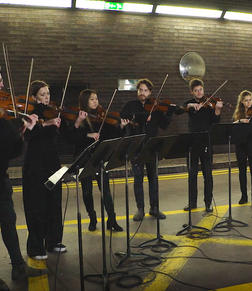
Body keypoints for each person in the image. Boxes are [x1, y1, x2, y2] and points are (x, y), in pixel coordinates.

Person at [0, 74, 43, 284]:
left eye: (1, 80)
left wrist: (21, 131)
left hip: (1, 178)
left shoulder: (3, 116)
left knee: (9, 222)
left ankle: (18, 267)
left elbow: (10, 152)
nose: (1, 85)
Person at [71, 89, 129, 231]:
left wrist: (121, 126)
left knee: (106, 191)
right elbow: (72, 138)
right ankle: (92, 218)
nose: (95, 101)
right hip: (84, 159)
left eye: (96, 98)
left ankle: (112, 219)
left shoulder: (102, 116)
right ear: (85, 101)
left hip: (100, 158)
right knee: (86, 192)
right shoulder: (79, 117)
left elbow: (111, 134)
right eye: (92, 99)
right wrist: (86, 134)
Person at [23, 80, 67, 258]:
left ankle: (53, 240)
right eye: (42, 94)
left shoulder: (53, 112)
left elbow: (64, 137)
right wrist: (46, 124)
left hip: (52, 162)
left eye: (48, 94)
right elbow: (28, 136)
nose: (47, 97)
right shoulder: (29, 112)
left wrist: (73, 122)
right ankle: (35, 247)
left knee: (54, 202)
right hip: (35, 164)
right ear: (33, 97)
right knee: (37, 205)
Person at [120, 78, 174, 221]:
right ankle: (140, 209)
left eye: (145, 90)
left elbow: (164, 126)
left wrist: (168, 113)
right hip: (135, 147)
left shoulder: (156, 108)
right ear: (137, 91)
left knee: (153, 178)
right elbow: (122, 122)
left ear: (150, 92)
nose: (142, 93)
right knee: (138, 179)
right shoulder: (130, 106)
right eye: (140, 90)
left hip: (151, 147)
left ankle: (154, 208)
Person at [180, 78, 223, 212]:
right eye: (196, 91)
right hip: (192, 143)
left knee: (207, 175)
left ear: (203, 90)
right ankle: (192, 203)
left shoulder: (210, 104)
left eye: (201, 90)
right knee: (192, 175)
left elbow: (215, 121)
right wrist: (192, 106)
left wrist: (217, 110)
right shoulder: (189, 104)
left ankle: (208, 203)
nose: (199, 93)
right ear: (192, 92)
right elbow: (181, 108)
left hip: (206, 141)